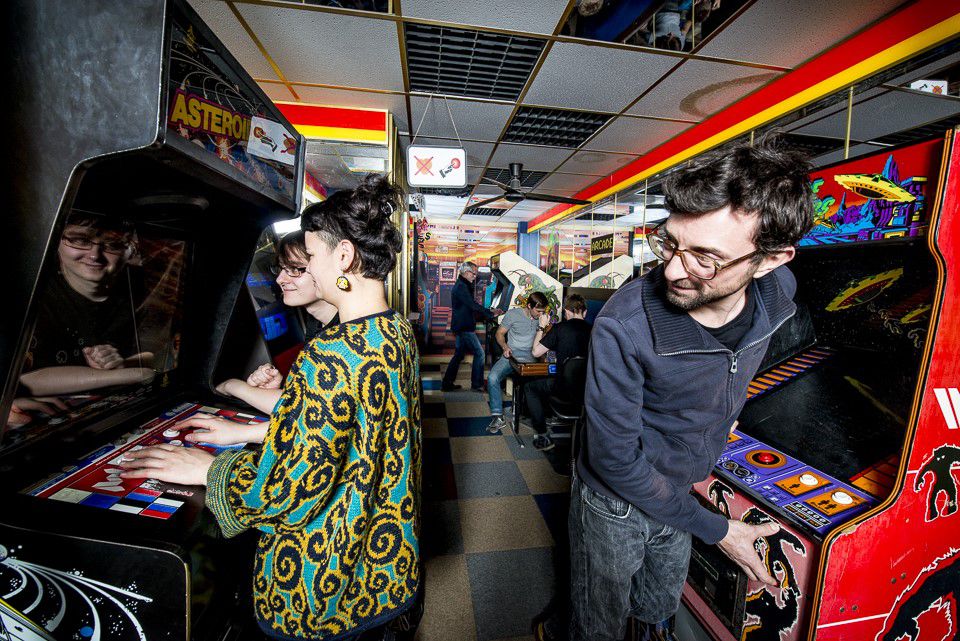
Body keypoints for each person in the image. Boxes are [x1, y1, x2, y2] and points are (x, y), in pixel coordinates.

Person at [121, 175, 422, 641]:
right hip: (381, 564)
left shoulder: (334, 352)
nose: (310, 269)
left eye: (314, 256)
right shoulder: (395, 331)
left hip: (326, 581)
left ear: (343, 256)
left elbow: (293, 485)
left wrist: (210, 471)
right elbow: (354, 439)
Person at [551, 142, 814, 641]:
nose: (672, 270)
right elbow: (614, 461)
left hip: (683, 485)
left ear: (770, 260)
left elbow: (737, 356)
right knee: (598, 625)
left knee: (658, 609)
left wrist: (726, 407)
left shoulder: (780, 292)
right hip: (613, 498)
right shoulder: (626, 325)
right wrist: (719, 530)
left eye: (705, 259)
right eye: (669, 243)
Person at [18, 211, 154, 397]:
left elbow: (153, 354)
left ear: (130, 250)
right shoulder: (29, 287)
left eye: (112, 244)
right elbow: (19, 380)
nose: (94, 255)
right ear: (56, 240)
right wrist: (129, 374)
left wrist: (121, 365)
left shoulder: (140, 286)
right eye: (80, 240)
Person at [215, 230, 339, 415]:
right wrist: (278, 388)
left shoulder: (343, 336)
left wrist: (233, 386)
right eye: (281, 268)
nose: (280, 279)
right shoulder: (317, 322)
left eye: (296, 269)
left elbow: (311, 414)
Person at [524, 294, 592, 451]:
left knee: (530, 387)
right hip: (589, 392)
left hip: (563, 390)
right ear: (585, 312)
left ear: (567, 312)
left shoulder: (560, 328)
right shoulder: (595, 330)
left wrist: (541, 327)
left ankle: (543, 436)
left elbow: (535, 352)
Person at [486, 291, 549, 434]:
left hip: (531, 357)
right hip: (511, 355)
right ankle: (497, 416)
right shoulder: (513, 315)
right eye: (538, 311)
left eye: (542, 311)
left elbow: (544, 341)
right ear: (529, 306)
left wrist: (543, 327)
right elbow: (499, 333)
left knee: (542, 382)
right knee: (492, 378)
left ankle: (536, 417)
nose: (540, 314)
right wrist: (505, 347)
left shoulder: (542, 319)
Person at [441, 261, 501, 392]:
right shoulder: (462, 286)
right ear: (466, 272)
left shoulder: (464, 284)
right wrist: (490, 313)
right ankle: (477, 384)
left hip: (461, 325)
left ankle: (447, 383)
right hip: (464, 327)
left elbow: (471, 305)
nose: (475, 276)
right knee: (479, 353)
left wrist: (488, 312)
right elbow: (472, 305)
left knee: (458, 356)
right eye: (474, 274)